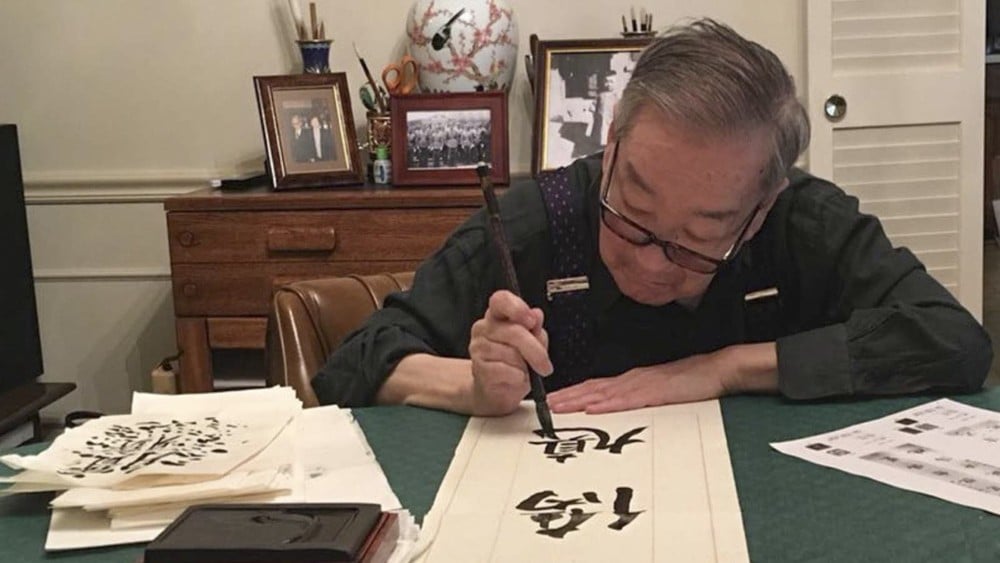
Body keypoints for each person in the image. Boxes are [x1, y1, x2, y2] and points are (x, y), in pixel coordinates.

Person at [312, 18, 992, 416]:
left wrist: (723, 368)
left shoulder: (802, 226)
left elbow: (953, 340)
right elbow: (352, 365)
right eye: (631, 213)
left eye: (696, 243)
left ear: (758, 211)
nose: (647, 260)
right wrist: (472, 381)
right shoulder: (536, 222)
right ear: (611, 144)